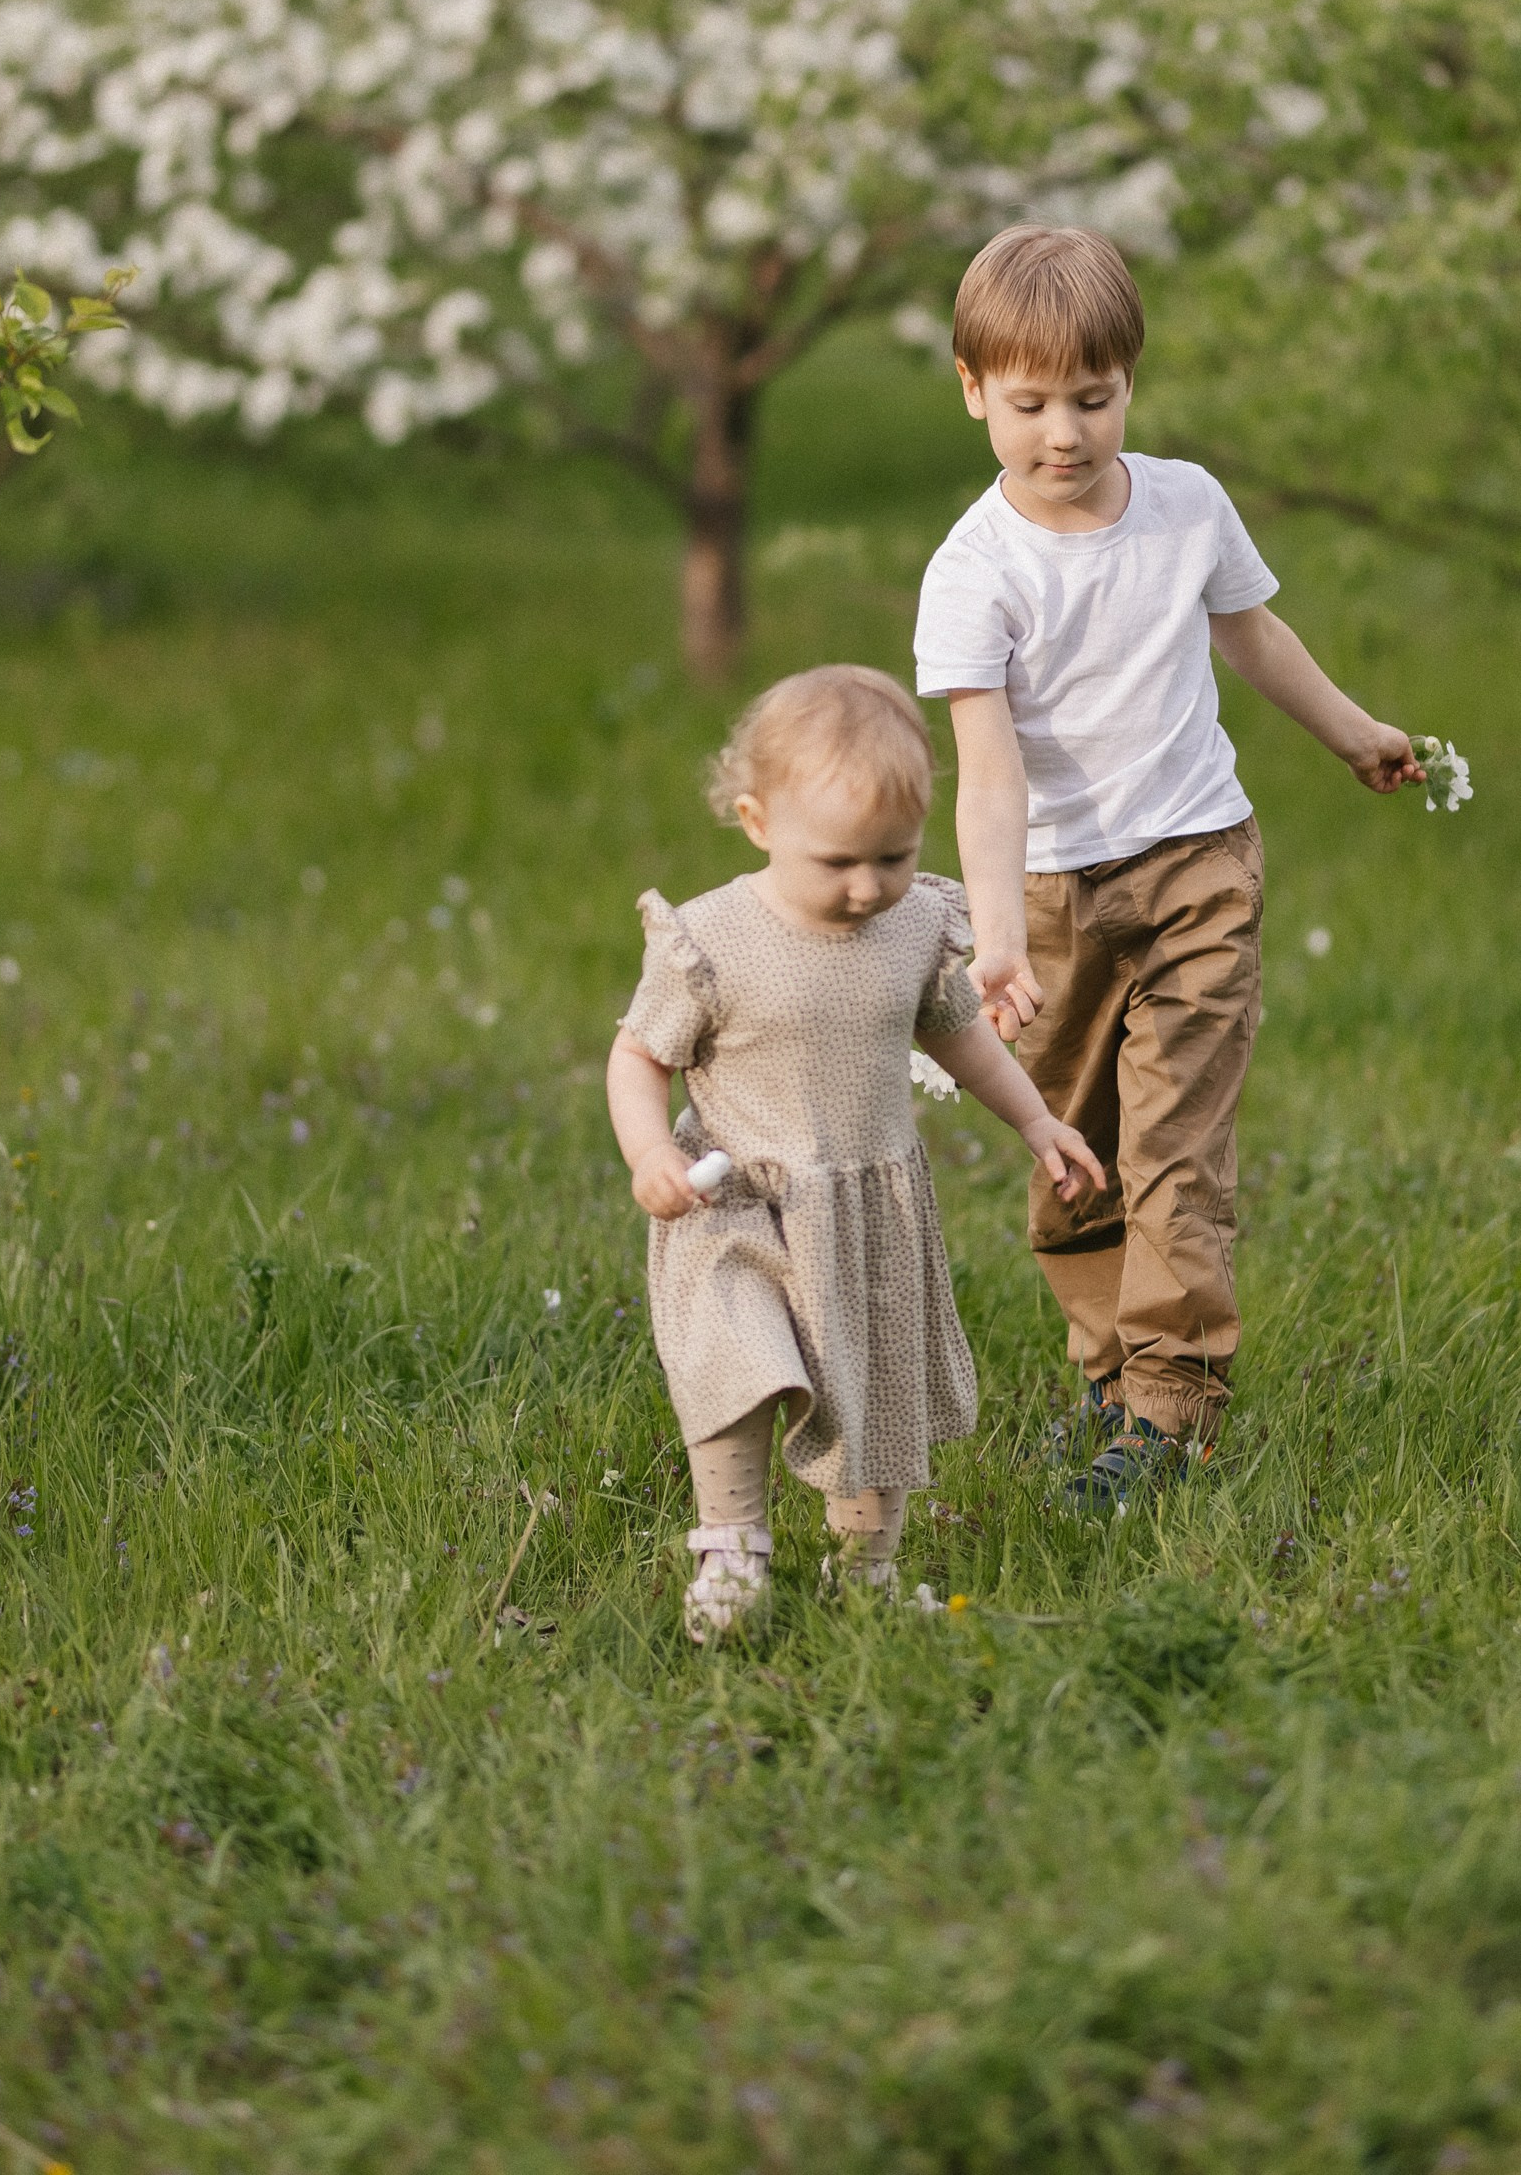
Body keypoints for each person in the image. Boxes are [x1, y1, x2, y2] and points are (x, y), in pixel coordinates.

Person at [913, 224, 1424, 1512]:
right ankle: (1108, 1379)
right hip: (1048, 902)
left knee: (1176, 1153)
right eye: (1030, 404)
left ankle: (1170, 1411)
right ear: (972, 391)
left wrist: (1353, 733)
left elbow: (1253, 637)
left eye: (1093, 399)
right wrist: (996, 938)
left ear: (1129, 382)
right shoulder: (973, 572)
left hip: (1197, 866)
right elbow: (987, 773)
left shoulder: (1187, 504)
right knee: (1073, 1157)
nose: (1065, 433)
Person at [607, 663, 1104, 1642]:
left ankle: (865, 1575)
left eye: (893, 855)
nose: (867, 886)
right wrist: (648, 1151)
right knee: (737, 1362)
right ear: (756, 822)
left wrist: (1037, 1121)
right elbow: (638, 1055)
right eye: (837, 861)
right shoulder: (711, 940)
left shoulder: (913, 927)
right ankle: (730, 1552)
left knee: (876, 1394)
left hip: (867, 1211)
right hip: (735, 1204)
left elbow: (960, 1037)